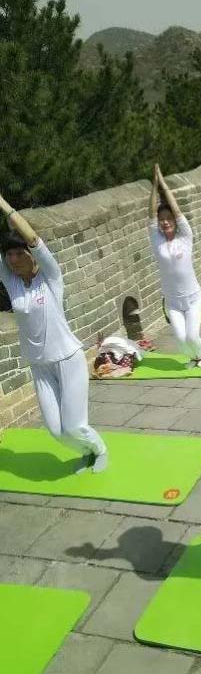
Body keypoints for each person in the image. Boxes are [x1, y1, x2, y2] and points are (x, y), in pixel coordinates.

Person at [0, 195, 108, 473]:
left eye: (17, 253)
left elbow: (33, 238)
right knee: (57, 432)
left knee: (75, 424)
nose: (12, 259)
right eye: (8, 254)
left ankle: (99, 449)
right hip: (39, 366)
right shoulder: (12, 283)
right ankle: (86, 452)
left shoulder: (49, 276)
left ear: (29, 254)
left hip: (67, 359)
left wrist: (4, 206)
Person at [149, 164, 201, 369]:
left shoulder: (185, 237)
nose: (165, 222)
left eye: (168, 218)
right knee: (181, 340)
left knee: (192, 335)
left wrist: (163, 184)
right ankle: (192, 357)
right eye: (161, 220)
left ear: (175, 220)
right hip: (172, 302)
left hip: (192, 298)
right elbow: (150, 216)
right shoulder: (157, 242)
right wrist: (154, 187)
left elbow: (178, 211)